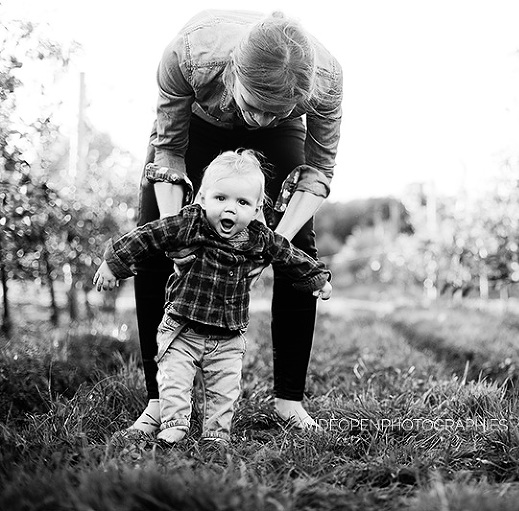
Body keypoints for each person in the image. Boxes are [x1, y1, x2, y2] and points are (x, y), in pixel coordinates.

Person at [130, 9, 343, 433]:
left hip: (280, 136)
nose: (259, 121)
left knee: (298, 250)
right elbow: (168, 151)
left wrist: (273, 242)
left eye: (276, 111)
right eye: (257, 107)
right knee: (153, 242)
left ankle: (289, 401)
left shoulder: (326, 82)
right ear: (234, 77)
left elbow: (318, 172)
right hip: (198, 123)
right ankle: (158, 400)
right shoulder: (188, 56)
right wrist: (178, 235)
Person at [94, 149, 333, 445]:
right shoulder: (189, 224)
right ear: (203, 198)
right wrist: (113, 264)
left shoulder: (259, 237)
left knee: (225, 388)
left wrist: (316, 278)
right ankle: (174, 423)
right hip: (182, 327)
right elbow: (148, 235)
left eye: (242, 202)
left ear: (258, 208)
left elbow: (290, 255)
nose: (230, 210)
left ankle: (217, 434)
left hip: (228, 336)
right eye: (221, 199)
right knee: (175, 378)